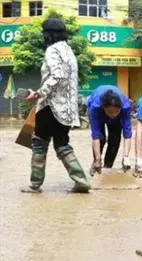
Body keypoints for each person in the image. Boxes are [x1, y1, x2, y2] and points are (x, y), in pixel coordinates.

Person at [22, 18, 90, 193]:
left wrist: (37, 94)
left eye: (44, 33)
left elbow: (56, 75)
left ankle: (35, 185)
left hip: (50, 107)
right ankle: (81, 180)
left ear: (48, 34)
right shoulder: (69, 52)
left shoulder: (52, 50)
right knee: (62, 144)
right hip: (67, 111)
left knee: (39, 143)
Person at [87, 85, 132, 176]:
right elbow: (95, 135)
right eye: (110, 112)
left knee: (114, 140)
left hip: (116, 121)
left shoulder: (125, 107)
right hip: (100, 115)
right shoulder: (95, 107)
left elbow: (127, 134)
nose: (113, 114)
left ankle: (107, 167)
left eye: (116, 111)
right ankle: (96, 162)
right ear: (104, 108)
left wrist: (126, 157)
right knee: (101, 138)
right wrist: (98, 159)